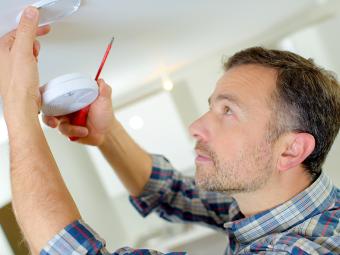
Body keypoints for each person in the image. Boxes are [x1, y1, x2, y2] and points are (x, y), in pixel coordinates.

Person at [0, 6, 339, 255]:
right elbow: (173, 193)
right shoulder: (269, 200)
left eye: (228, 112)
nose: (196, 127)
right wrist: (108, 134)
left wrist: (18, 107)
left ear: (291, 151)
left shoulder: (307, 249)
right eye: (212, 107)